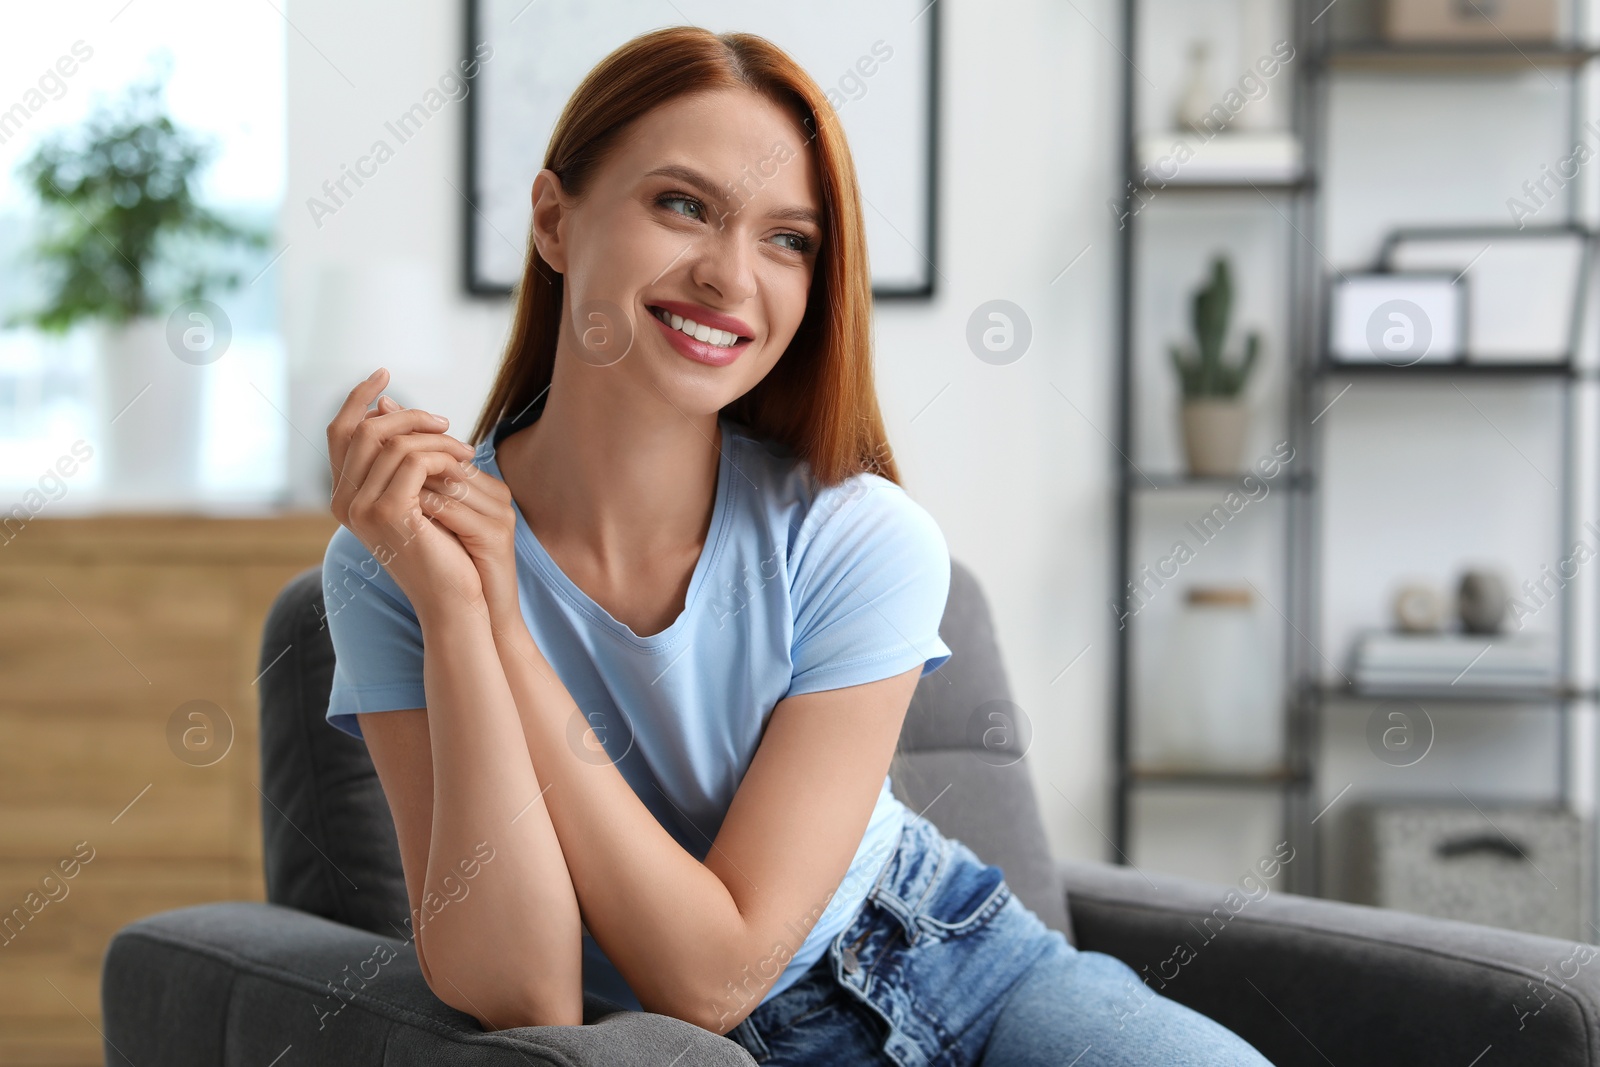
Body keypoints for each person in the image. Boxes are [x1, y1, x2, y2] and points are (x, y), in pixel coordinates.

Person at [320, 25, 1275, 1066]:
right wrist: (465, 615)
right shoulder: (398, 565)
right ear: (554, 219)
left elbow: (720, 962)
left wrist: (508, 628)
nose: (732, 275)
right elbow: (529, 989)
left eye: (789, 239)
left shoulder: (858, 536)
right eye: (681, 204)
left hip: (955, 969)